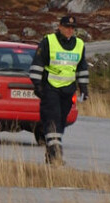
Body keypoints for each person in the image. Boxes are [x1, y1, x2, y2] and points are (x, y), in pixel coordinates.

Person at [29, 15, 89, 166]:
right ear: (60, 27)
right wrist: (37, 85)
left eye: (72, 28)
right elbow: (37, 64)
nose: (70, 30)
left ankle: (51, 152)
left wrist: (84, 88)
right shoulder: (48, 41)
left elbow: (82, 68)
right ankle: (56, 152)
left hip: (68, 90)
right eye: (67, 27)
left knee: (61, 121)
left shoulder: (80, 44)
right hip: (50, 88)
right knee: (52, 119)